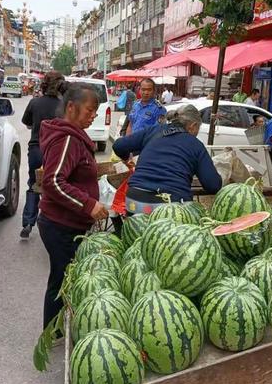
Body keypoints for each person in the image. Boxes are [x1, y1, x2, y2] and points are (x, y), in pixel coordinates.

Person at [38, 84, 109, 328]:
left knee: (62, 278)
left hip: (66, 223)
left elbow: (72, 173)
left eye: (95, 112)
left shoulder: (73, 136)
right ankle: (53, 332)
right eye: (89, 111)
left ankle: (57, 328)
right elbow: (53, 181)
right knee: (61, 280)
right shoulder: (68, 137)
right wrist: (88, 204)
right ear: (71, 107)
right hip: (60, 226)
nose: (92, 116)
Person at [113, 104, 222, 214]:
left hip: (135, 201)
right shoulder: (196, 145)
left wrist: (127, 159)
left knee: (134, 230)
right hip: (172, 206)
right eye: (197, 129)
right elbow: (213, 185)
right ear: (192, 126)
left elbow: (118, 146)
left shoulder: (153, 131)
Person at [20, 71, 64, 240]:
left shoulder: (34, 102)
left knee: (34, 184)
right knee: (55, 186)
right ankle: (52, 223)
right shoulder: (63, 105)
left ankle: (28, 223)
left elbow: (28, 124)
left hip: (36, 151)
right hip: (56, 152)